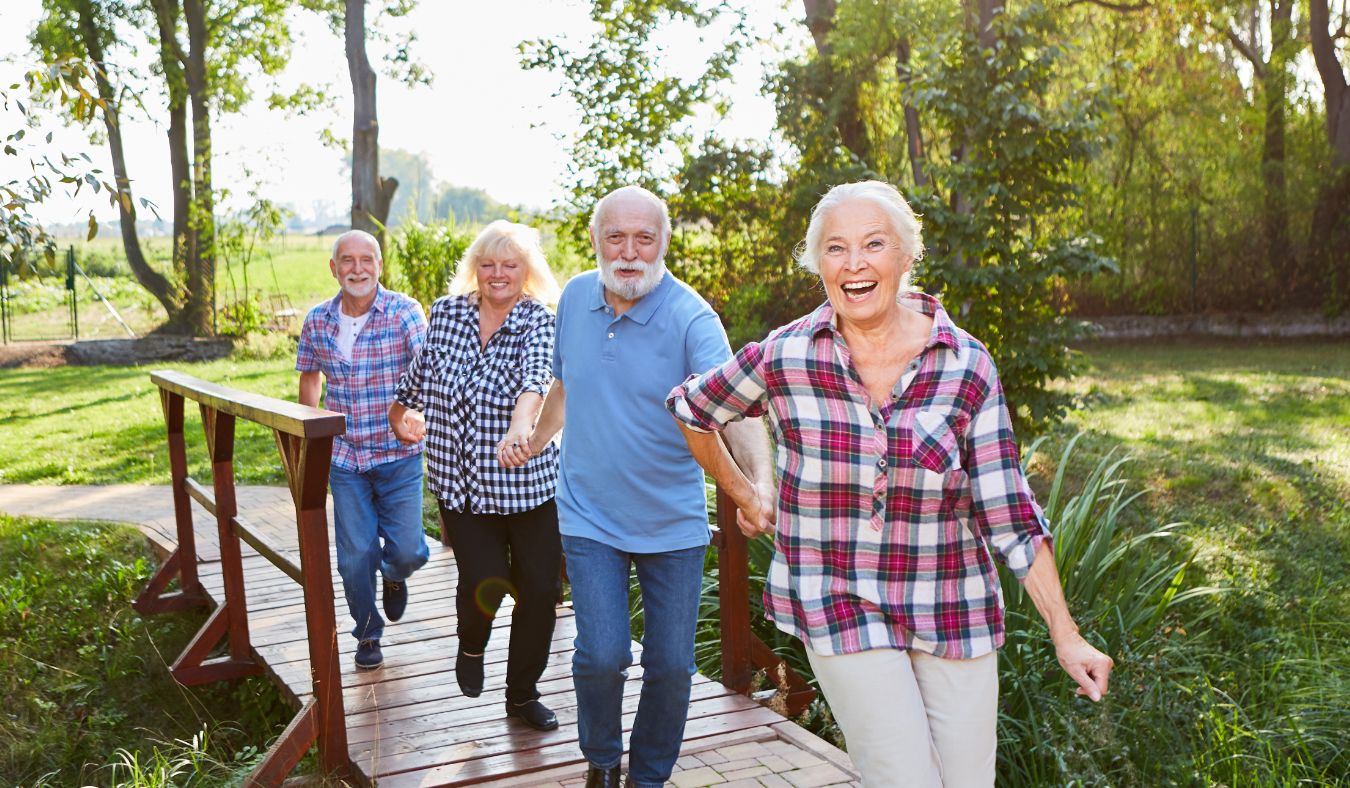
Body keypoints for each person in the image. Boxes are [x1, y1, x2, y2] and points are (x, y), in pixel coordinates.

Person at [665, 180, 1114, 787]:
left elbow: (1008, 509)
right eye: (835, 248)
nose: (854, 263)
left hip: (950, 600)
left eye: (873, 244)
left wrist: (1067, 634)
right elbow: (691, 409)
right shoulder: (786, 355)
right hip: (837, 598)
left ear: (906, 256)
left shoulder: (965, 363)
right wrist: (747, 491)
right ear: (818, 264)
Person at [519, 186, 773, 788]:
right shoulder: (574, 297)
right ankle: (603, 760)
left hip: (671, 522)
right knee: (602, 655)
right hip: (588, 513)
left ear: (663, 242)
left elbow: (736, 412)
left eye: (644, 238)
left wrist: (758, 484)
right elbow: (565, 385)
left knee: (671, 667)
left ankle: (649, 776)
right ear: (595, 240)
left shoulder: (692, 318)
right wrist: (534, 440)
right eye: (616, 237)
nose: (629, 253)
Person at [388, 220, 564, 731]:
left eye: (510, 264)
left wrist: (520, 427)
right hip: (461, 484)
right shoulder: (446, 314)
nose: (498, 274)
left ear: (527, 271)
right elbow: (418, 377)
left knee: (539, 590)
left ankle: (522, 695)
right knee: (485, 578)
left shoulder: (538, 320)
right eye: (488, 264)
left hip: (527, 485)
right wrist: (400, 416)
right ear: (475, 269)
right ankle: (471, 645)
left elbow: (537, 379)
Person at [297, 229, 430, 671]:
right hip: (345, 458)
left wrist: (418, 416)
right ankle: (368, 632)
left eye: (366, 259)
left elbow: (428, 370)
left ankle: (394, 575)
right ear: (333, 269)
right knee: (355, 556)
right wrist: (308, 437)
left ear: (379, 265)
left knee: (409, 551)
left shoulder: (404, 312)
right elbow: (310, 379)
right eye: (348, 261)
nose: (358, 269)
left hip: (397, 453)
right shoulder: (318, 320)